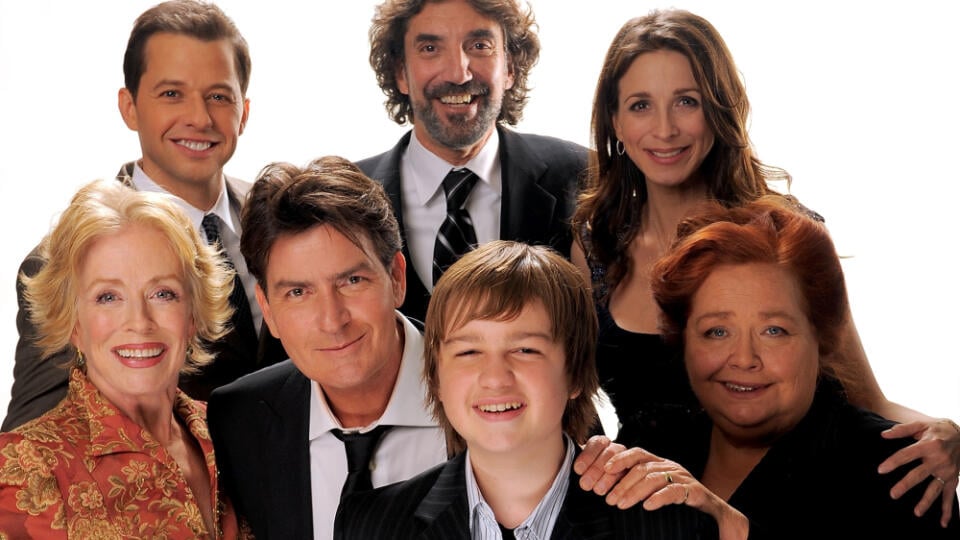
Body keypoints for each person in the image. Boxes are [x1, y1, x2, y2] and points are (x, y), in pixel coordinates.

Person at [569, 9, 960, 524]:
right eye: (641, 105)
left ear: (719, 109)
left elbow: (863, 394)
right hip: (654, 507)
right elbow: (574, 398)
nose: (664, 129)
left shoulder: (783, 231)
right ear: (615, 121)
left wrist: (948, 434)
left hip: (799, 494)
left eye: (687, 101)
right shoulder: (595, 244)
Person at [207, 158, 624, 540]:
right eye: (298, 292)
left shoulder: (519, 394)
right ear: (268, 310)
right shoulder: (239, 420)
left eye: (352, 281)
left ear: (397, 278)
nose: (332, 319)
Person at [4, 0, 285, 431]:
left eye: (218, 96)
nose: (199, 117)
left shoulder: (281, 219)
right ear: (129, 106)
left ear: (243, 112)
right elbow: (33, 437)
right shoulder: (68, 257)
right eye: (172, 94)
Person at [335, 241, 736, 539]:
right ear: (436, 377)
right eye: (469, 351)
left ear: (577, 372)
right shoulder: (370, 523)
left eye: (526, 349)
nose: (495, 377)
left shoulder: (668, 525)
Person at [626, 198, 958, 537]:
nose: (743, 358)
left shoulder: (899, 469)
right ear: (684, 340)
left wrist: (735, 529)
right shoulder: (647, 439)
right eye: (717, 331)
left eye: (774, 331)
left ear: (822, 334)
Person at [0, 180, 249, 538]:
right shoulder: (28, 466)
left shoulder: (231, 433)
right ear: (73, 324)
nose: (140, 323)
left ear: (194, 313)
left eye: (163, 293)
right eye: (108, 297)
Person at [358, 0, 588, 323]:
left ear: (509, 66)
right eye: (429, 48)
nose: (458, 72)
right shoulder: (345, 200)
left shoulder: (585, 176)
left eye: (480, 46)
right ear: (400, 72)